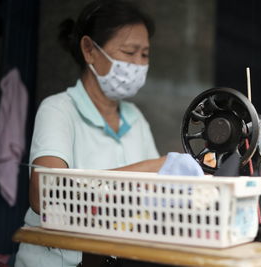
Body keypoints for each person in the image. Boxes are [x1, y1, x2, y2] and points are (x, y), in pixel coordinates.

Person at [15, 1, 167, 266]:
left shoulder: (135, 119)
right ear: (89, 50)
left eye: (144, 55)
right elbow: (45, 195)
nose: (138, 64)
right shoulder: (58, 110)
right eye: (130, 52)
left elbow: (156, 195)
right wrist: (153, 167)